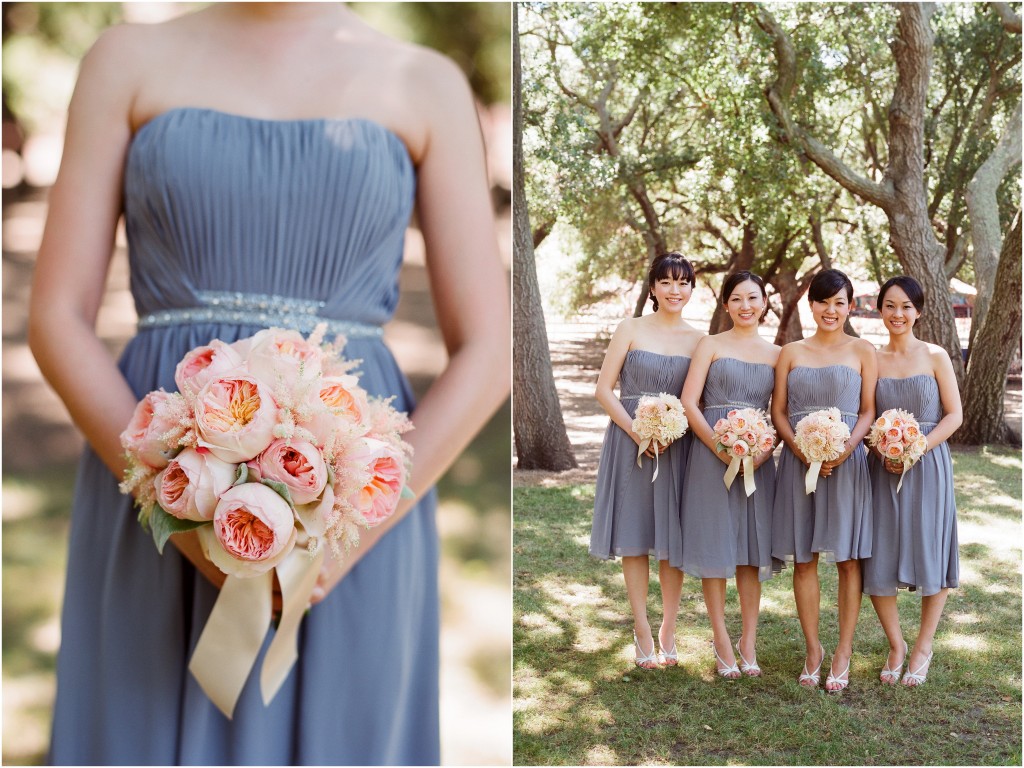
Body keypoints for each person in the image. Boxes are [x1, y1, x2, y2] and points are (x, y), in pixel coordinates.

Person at [27, 4, 510, 764]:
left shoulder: (426, 82)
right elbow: (56, 318)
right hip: (159, 495)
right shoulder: (124, 60)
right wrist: (178, 502)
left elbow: (489, 348)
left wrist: (345, 538)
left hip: (355, 520)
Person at [588, 253, 704, 669]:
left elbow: (698, 400)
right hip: (629, 442)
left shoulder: (699, 340)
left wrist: (673, 432)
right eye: (667, 282)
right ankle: (640, 628)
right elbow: (603, 390)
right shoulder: (630, 328)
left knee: (672, 541)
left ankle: (668, 628)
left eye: (683, 282)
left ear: (692, 289)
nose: (675, 290)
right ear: (653, 287)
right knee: (634, 536)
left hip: (677, 447)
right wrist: (637, 432)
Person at [770, 268, 876, 692]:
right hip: (799, 465)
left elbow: (868, 410)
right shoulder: (790, 352)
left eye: (839, 303)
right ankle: (813, 650)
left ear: (849, 307)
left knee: (848, 559)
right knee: (804, 558)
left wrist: (845, 449)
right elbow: (778, 411)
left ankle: (843, 651)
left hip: (847, 464)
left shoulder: (863, 350)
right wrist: (802, 451)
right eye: (823, 302)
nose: (831, 310)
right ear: (810, 304)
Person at [673, 271, 781, 679]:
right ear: (725, 305)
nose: (745, 306)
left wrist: (762, 453)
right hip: (710, 456)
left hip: (758, 462)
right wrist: (719, 448)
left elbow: (780, 413)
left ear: (764, 303)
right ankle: (720, 639)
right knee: (715, 549)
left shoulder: (777, 354)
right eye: (736, 299)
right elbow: (689, 401)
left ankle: (748, 640)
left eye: (752, 298)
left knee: (751, 551)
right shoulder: (711, 345)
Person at [862, 275, 961, 687]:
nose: (897, 314)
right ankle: (896, 645)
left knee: (930, 550)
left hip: (929, 464)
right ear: (880, 310)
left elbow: (954, 415)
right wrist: (882, 451)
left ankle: (923, 646)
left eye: (905, 306)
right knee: (878, 553)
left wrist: (916, 448)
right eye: (889, 305)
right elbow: (866, 416)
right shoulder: (871, 359)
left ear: (918, 311)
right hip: (882, 467)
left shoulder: (935, 355)